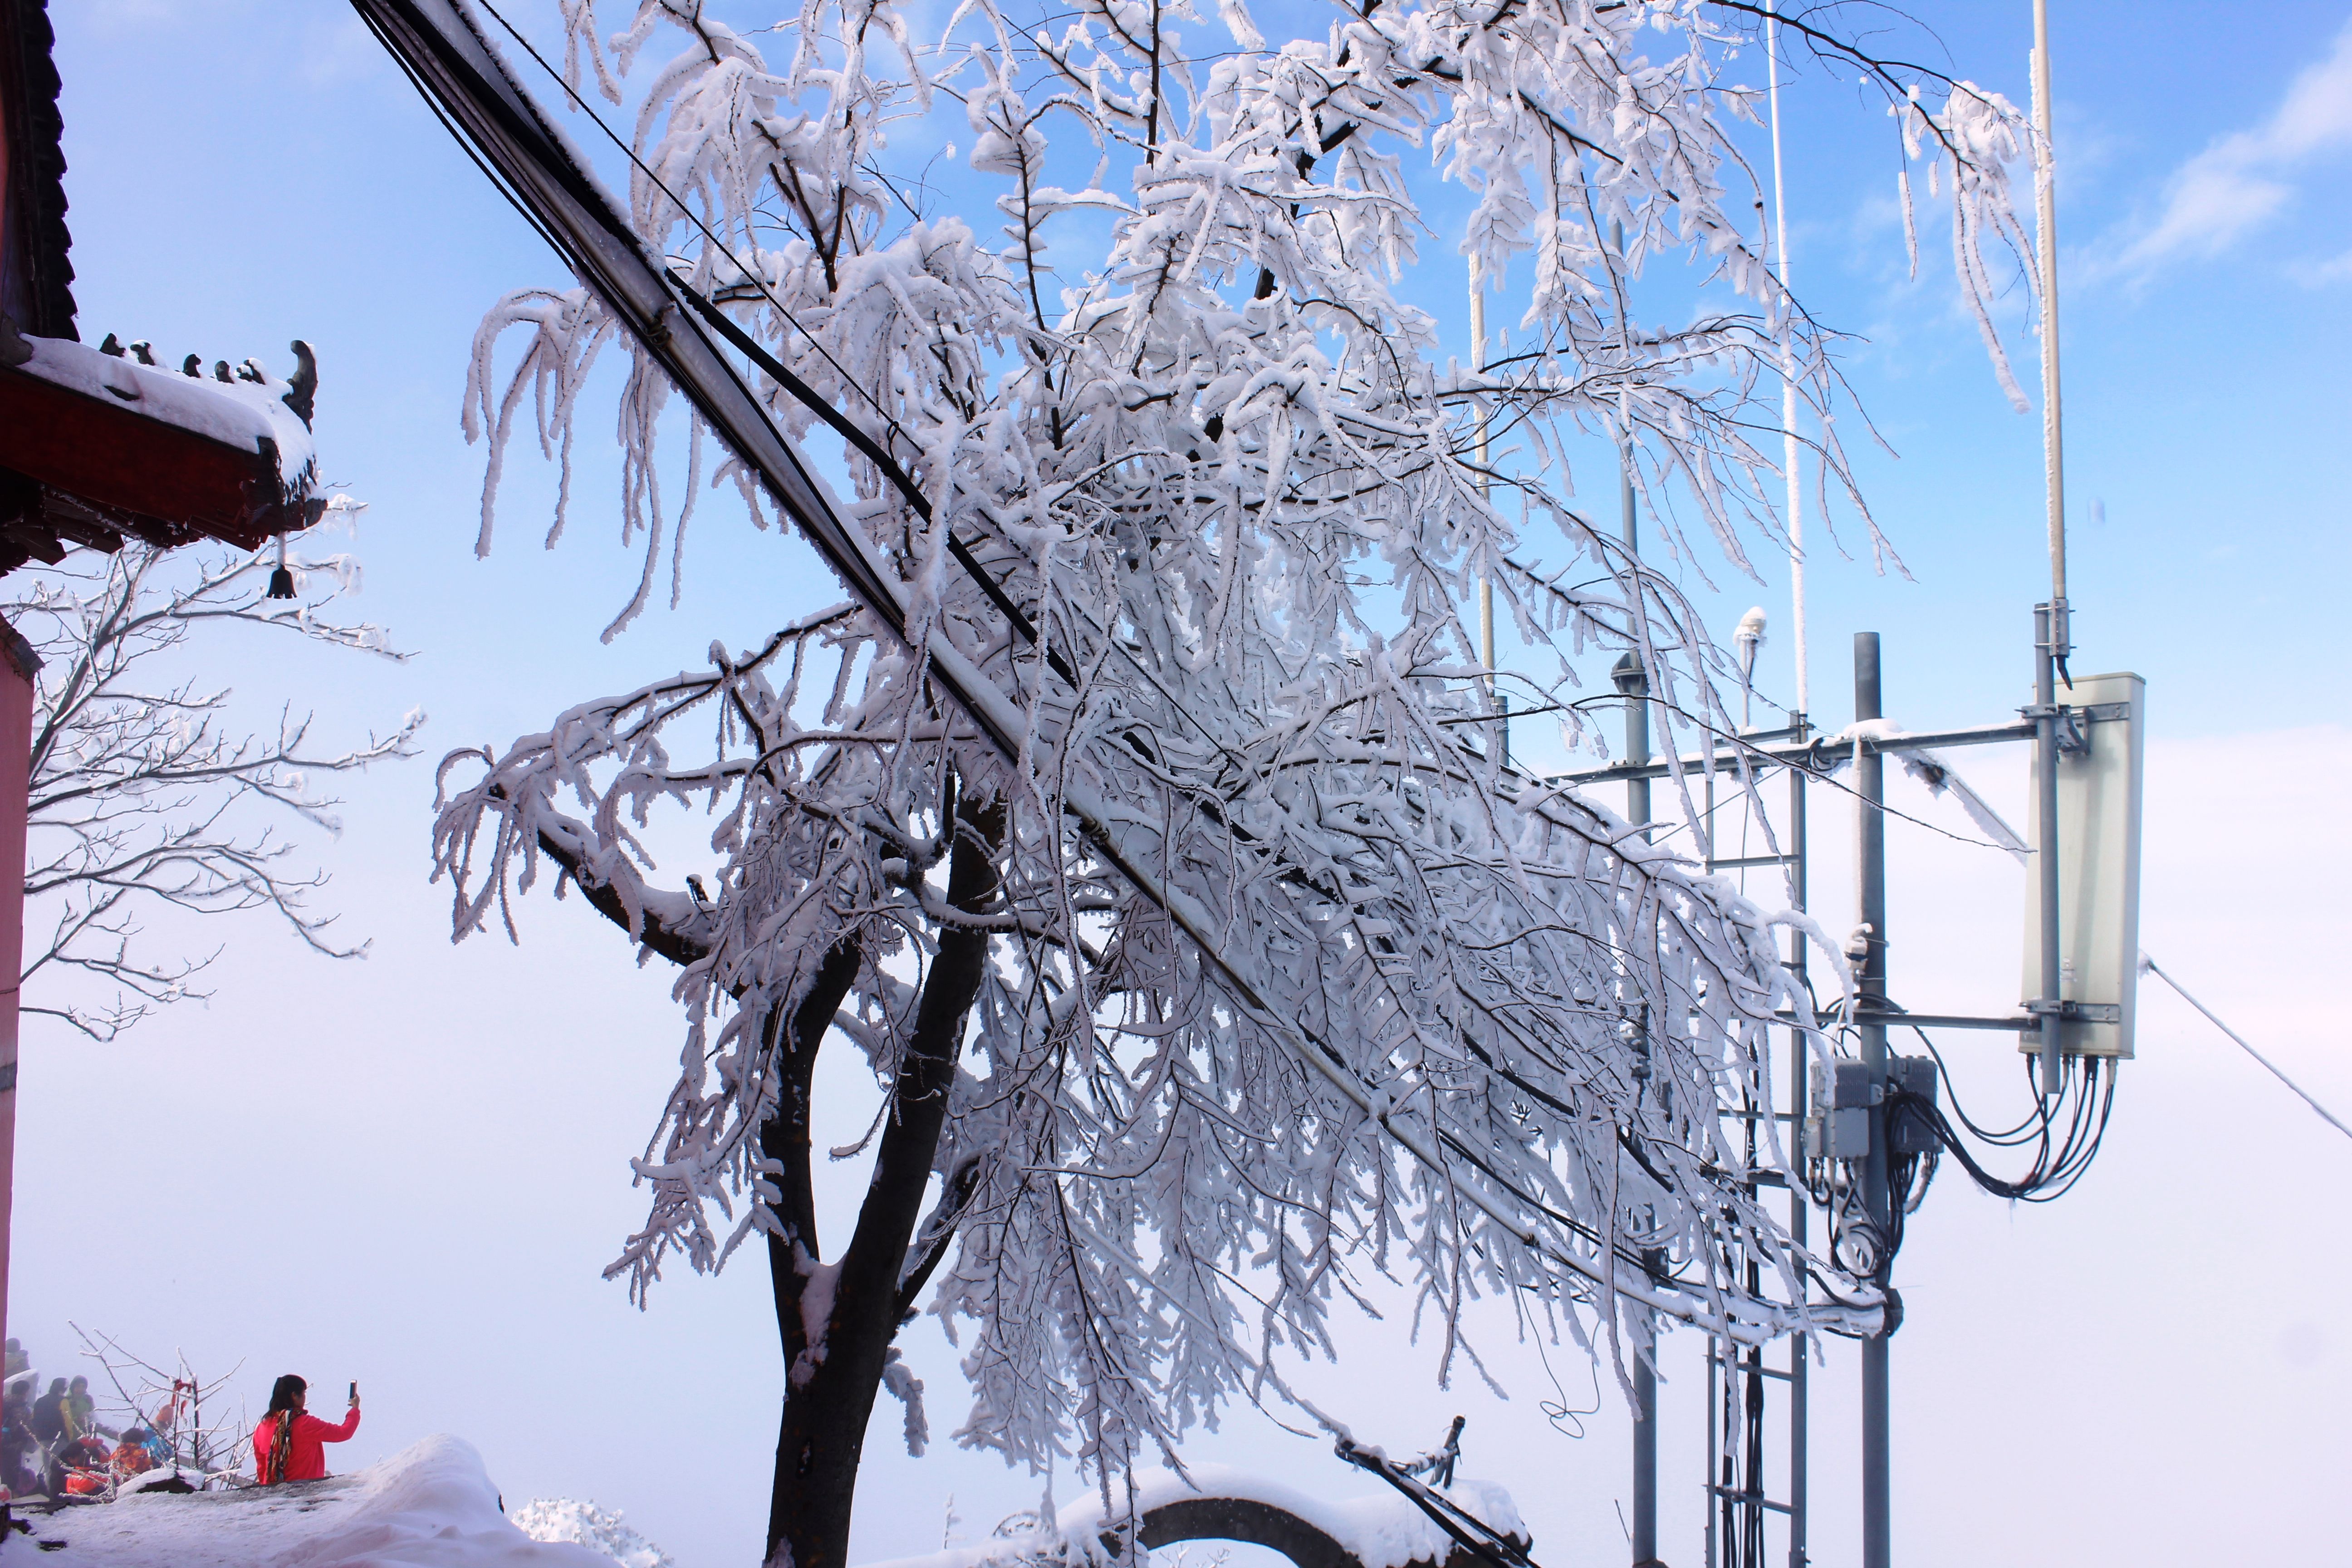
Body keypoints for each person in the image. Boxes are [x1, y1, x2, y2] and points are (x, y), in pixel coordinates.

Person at [251, 1375, 358, 1485]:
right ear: (294, 1396)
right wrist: (355, 1409)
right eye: (304, 1393)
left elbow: (262, 1468)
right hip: (304, 1495)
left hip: (274, 1497)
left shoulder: (262, 1428)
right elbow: (344, 1433)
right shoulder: (304, 1424)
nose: (305, 1397)